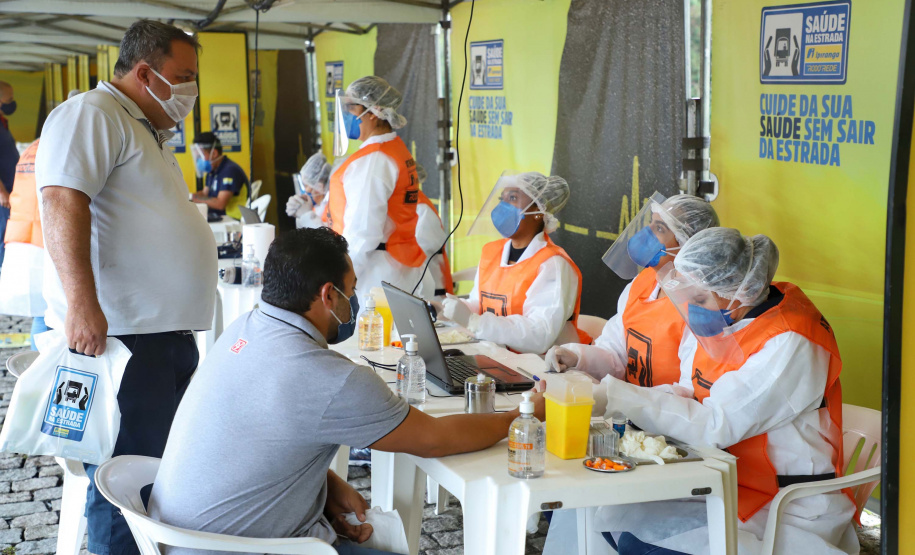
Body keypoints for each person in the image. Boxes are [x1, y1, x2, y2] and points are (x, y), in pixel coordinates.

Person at [148, 227, 546, 555]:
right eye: (350, 290)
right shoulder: (330, 378)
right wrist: (521, 417)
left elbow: (260, 439)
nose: (353, 302)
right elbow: (437, 439)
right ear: (327, 295)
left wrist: (321, 488)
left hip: (178, 539)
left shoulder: (243, 330)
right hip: (243, 547)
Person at [547, 228, 856, 555]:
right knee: (611, 518)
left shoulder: (791, 341)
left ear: (739, 290)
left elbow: (715, 424)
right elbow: (686, 392)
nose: (692, 311)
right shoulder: (721, 320)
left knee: (641, 544)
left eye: (700, 299)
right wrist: (604, 393)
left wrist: (613, 396)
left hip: (782, 503)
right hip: (724, 477)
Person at [35, 20, 216, 555]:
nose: (191, 91)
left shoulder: (144, 128)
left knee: (161, 470)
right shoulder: (93, 114)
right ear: (145, 72)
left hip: (164, 335)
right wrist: (82, 306)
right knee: (123, 479)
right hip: (126, 336)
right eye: (182, 77)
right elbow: (62, 200)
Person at [545, 194, 719, 385]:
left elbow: (689, 390)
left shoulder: (701, 306)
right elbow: (615, 354)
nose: (647, 232)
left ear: (687, 245)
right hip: (630, 407)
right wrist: (576, 356)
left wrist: (622, 397)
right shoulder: (641, 283)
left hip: (666, 410)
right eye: (651, 223)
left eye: (660, 228)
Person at [441, 171, 589, 354]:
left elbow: (539, 336)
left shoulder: (553, 265)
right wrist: (446, 309)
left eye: (512, 198)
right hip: (497, 358)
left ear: (538, 211)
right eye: (501, 199)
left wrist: (474, 322)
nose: (503, 206)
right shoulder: (491, 251)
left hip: (542, 369)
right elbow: (478, 304)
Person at [323, 76, 427, 305]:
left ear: (373, 112)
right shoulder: (392, 149)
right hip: (393, 267)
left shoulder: (374, 160)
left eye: (353, 108)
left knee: (371, 338)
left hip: (374, 273)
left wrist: (339, 277)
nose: (348, 114)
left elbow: (363, 230)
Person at [0, 139, 48, 348]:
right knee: (49, 313)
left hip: (21, 233)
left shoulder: (33, 147)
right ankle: (43, 368)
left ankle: (39, 366)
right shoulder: (62, 143)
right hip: (41, 236)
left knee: (42, 312)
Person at [413, 163, 454, 297]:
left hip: (432, 297)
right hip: (420, 292)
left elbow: (417, 257)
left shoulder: (422, 211)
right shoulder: (409, 208)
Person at [191, 131, 249, 220]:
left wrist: (193, 199)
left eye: (200, 156)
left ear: (214, 153)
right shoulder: (212, 171)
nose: (198, 161)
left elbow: (220, 204)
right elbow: (204, 193)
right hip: (219, 217)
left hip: (232, 219)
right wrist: (188, 197)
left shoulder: (230, 171)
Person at [0, 80, 19, 267]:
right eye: (9, 98)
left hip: (10, 188)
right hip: (3, 193)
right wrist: (1, 192)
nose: (12, 102)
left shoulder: (2, 121)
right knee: (3, 234)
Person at [286, 151, 332, 229]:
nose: (305, 191)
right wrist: (299, 217)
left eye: (306, 185)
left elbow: (325, 237)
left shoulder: (331, 208)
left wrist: (306, 215)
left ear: (320, 186)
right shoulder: (316, 207)